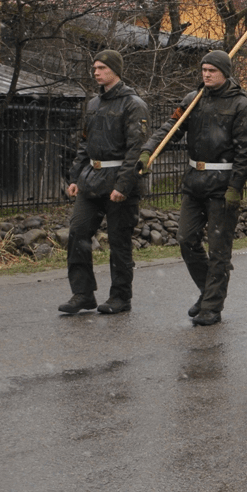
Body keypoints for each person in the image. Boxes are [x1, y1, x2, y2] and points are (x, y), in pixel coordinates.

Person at [140, 50, 247, 325]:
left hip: (222, 185)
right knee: (186, 239)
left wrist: (235, 187)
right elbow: (171, 128)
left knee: (218, 249)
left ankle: (212, 307)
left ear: (225, 73)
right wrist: (148, 150)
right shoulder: (193, 100)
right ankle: (207, 291)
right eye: (203, 70)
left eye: (212, 71)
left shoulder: (240, 105)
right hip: (194, 182)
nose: (206, 74)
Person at [59, 50, 149, 315]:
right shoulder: (93, 104)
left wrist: (123, 185)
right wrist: (75, 177)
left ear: (115, 71)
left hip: (119, 182)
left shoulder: (134, 104)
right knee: (78, 233)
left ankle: (120, 297)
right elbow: (85, 144)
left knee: (119, 240)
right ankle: (83, 294)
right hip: (91, 180)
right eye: (94, 68)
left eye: (101, 68)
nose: (96, 72)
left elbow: (136, 149)